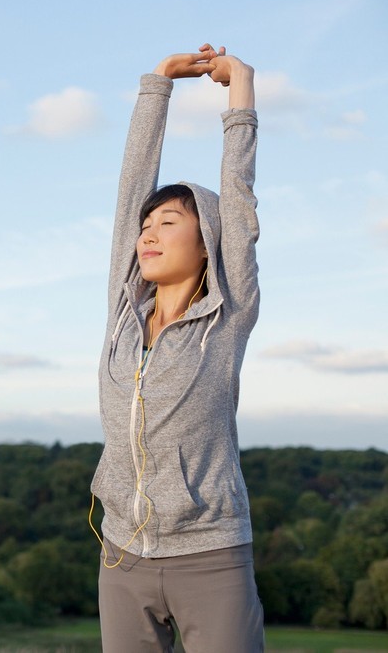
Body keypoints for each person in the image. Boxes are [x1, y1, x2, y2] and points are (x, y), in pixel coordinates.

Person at [88, 44, 265, 651]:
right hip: (122, 556)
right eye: (146, 225)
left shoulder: (229, 313)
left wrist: (240, 87)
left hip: (210, 556)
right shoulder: (123, 314)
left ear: (207, 241)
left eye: (168, 222)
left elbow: (237, 196)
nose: (148, 233)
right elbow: (129, 189)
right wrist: (158, 83)